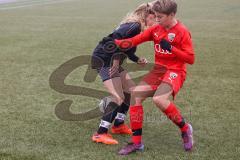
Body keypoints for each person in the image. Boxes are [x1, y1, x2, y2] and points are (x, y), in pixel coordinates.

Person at [115, 0, 195, 155]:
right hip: (158, 71)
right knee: (135, 97)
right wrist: (116, 42)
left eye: (160, 17)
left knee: (159, 99)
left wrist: (171, 48)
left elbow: (190, 59)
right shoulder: (156, 29)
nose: (157, 20)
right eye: (155, 16)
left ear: (172, 15)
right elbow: (135, 40)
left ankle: (185, 129)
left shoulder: (182, 31)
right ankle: (137, 144)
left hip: (175, 71)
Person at [91, 3, 156, 145]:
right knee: (118, 97)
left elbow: (125, 46)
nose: (155, 21)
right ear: (146, 16)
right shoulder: (135, 26)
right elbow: (110, 42)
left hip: (111, 60)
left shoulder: (137, 27)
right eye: (153, 17)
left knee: (131, 92)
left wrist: (136, 59)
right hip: (103, 60)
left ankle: (119, 124)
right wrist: (115, 62)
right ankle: (100, 133)